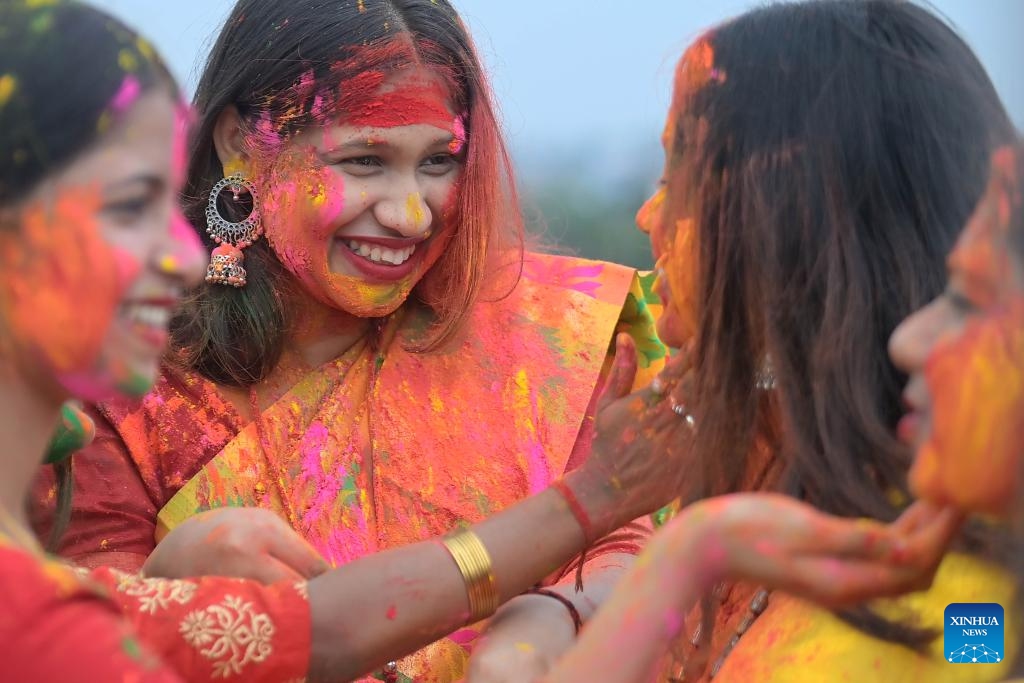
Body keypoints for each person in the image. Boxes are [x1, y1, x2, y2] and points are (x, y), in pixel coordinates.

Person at [30, 0, 686, 679]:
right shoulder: (127, 369)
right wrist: (169, 576)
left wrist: (546, 621)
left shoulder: (549, 337)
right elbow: (77, 633)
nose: (410, 214)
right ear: (238, 142)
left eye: (439, 162)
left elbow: (629, 549)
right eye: (366, 160)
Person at [547, 1, 1018, 681]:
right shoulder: (760, 500)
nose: (647, 213)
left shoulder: (968, 588)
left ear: (790, 219)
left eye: (676, 175)